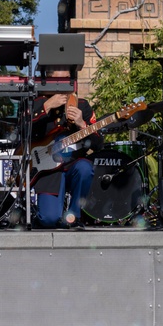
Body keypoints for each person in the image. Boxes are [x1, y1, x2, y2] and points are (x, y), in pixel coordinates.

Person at [30, 69, 100, 228]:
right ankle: (41, 218)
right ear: (47, 79)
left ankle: (74, 217)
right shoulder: (37, 102)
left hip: (72, 165)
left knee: (85, 168)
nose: (62, 86)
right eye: (57, 82)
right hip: (48, 171)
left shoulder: (82, 105)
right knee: (49, 220)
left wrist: (82, 124)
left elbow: (98, 143)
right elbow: (22, 131)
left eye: (66, 81)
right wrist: (46, 108)